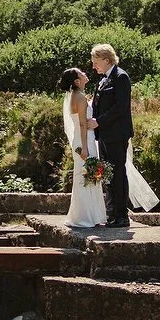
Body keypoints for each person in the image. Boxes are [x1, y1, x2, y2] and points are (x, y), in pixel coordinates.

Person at [88, 43, 157, 225]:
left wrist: (99, 121)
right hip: (104, 135)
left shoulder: (121, 77)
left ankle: (121, 216)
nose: (93, 66)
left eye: (95, 62)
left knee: (118, 173)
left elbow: (120, 107)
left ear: (106, 59)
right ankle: (111, 213)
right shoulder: (103, 80)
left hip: (117, 135)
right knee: (107, 174)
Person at [60, 67, 107, 228]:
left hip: (83, 139)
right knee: (87, 176)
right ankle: (86, 217)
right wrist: (85, 148)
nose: (85, 73)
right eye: (81, 73)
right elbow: (81, 124)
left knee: (89, 176)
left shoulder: (77, 95)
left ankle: (91, 215)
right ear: (77, 81)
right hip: (84, 140)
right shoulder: (79, 97)